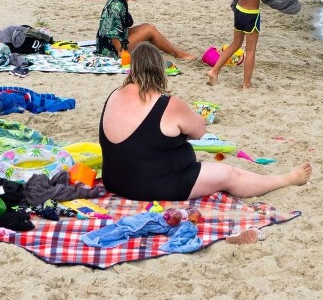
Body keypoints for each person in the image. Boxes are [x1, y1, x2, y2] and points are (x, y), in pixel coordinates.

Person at [99, 41, 311, 201]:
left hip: (114, 180)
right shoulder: (167, 104)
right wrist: (195, 115)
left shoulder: (114, 94)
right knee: (229, 174)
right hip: (150, 185)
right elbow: (199, 131)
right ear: (159, 69)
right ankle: (287, 179)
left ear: (132, 68)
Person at [95, 0, 194, 60]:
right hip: (110, 49)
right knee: (150, 30)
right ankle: (178, 53)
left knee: (147, 26)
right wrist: (121, 53)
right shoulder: (117, 5)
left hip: (108, 42)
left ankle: (175, 52)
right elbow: (111, 32)